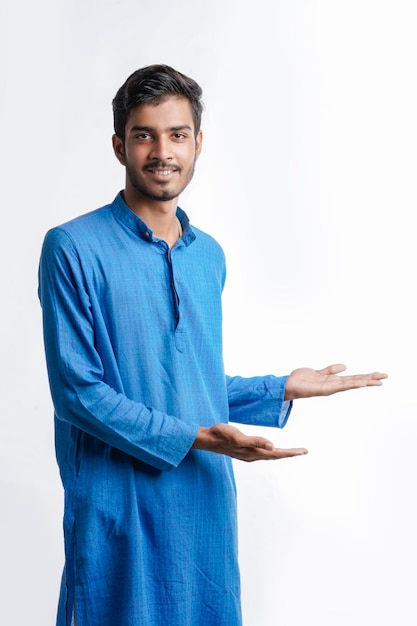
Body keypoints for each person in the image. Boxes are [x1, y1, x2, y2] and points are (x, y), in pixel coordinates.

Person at [38, 64, 387, 626]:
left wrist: (280, 387)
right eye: (144, 135)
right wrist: (197, 436)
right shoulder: (73, 248)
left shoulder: (209, 256)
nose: (162, 152)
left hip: (203, 508)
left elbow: (188, 383)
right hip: (117, 507)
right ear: (118, 146)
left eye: (177, 134)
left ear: (198, 143)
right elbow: (79, 393)